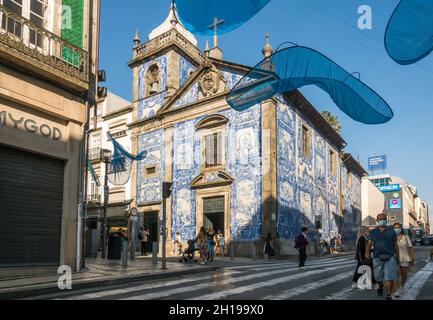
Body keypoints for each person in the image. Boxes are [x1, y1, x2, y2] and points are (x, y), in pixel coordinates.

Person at [365, 213, 400, 300]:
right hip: (377, 258)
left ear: (386, 220)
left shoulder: (392, 232)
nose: (382, 220)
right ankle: (380, 286)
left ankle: (388, 296)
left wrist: (398, 256)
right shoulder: (373, 232)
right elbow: (369, 243)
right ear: (377, 221)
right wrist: (367, 252)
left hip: (390, 257)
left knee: (389, 277)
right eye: (380, 219)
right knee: (377, 277)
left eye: (384, 218)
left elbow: (395, 245)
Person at [392, 222, 414, 298]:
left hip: (404, 258)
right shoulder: (391, 237)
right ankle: (397, 290)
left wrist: (411, 257)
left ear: (401, 228)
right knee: (396, 274)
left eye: (398, 227)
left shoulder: (406, 236)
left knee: (404, 275)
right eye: (395, 228)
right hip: (394, 258)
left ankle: (402, 286)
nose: (397, 229)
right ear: (393, 229)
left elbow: (410, 247)